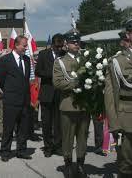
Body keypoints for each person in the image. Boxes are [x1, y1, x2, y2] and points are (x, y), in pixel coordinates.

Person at [104, 16, 132, 178]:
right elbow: (110, 96)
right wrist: (115, 123)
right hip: (127, 120)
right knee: (126, 164)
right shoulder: (117, 61)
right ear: (128, 35)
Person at [53, 31, 89, 178]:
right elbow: (58, 82)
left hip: (85, 106)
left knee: (82, 137)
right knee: (68, 138)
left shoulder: (86, 61)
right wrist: (76, 83)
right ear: (66, 45)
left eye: (78, 42)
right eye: (73, 42)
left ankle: (80, 165)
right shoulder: (60, 62)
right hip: (68, 105)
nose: (76, 44)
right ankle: (68, 164)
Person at [0, 35, 31, 162]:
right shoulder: (5, 60)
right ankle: (5, 152)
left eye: (26, 45)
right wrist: (9, 91)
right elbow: (0, 79)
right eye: (24, 45)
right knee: (8, 128)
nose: (26, 48)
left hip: (24, 101)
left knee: (23, 128)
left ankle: (21, 150)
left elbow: (26, 79)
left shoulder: (27, 60)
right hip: (11, 100)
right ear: (16, 45)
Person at [35, 33, 65, 157]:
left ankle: (58, 146)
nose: (59, 49)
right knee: (46, 123)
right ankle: (48, 146)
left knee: (58, 123)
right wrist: (52, 74)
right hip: (47, 93)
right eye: (57, 46)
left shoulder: (64, 55)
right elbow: (38, 71)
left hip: (59, 94)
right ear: (52, 45)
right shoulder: (43, 55)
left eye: (61, 46)